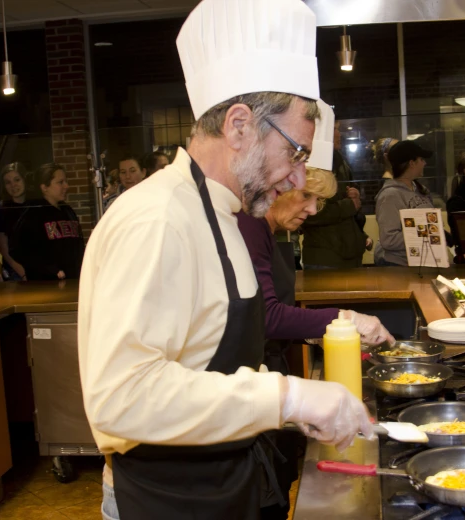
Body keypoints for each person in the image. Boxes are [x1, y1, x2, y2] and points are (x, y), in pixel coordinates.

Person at [78, 2, 374, 520]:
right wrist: (287, 397)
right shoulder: (157, 219)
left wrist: (286, 410)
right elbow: (121, 396)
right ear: (239, 125)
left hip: (220, 484)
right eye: (296, 153)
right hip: (164, 497)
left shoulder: (225, 213)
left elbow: (211, 362)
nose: (299, 179)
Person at [236, 101, 395, 519]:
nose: (310, 209)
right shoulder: (251, 227)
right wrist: (343, 319)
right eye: (304, 196)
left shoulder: (273, 232)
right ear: (277, 186)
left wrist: (314, 330)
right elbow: (266, 315)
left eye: (317, 200)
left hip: (267, 374)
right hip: (248, 386)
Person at [299, 116, 369, 269]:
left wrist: (354, 198)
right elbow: (310, 213)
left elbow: (349, 205)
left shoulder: (338, 161)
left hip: (347, 255)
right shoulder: (309, 164)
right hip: (325, 259)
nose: (339, 134)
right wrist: (349, 205)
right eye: (334, 129)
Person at [12, 164, 84, 281]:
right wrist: (50, 270)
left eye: (66, 181)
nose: (66, 186)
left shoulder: (67, 210)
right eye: (60, 182)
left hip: (73, 279)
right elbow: (18, 249)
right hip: (46, 284)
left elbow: (78, 245)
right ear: (44, 187)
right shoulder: (33, 213)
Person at [374, 141, 435, 266]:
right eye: (421, 159)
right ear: (412, 163)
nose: (425, 163)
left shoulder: (420, 189)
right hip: (399, 266)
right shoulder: (390, 196)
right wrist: (427, 234)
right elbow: (388, 239)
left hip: (423, 262)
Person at [0, 162, 27, 280]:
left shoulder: (35, 205)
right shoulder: (0, 208)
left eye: (17, 180)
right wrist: (22, 272)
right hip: (14, 270)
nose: (13, 185)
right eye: (8, 182)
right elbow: (4, 248)